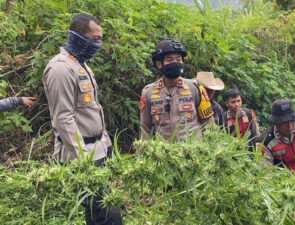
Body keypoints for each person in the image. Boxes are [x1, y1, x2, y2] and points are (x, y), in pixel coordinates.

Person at [42, 13, 122, 225]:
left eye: (100, 39)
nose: (98, 44)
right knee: (107, 216)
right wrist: (84, 162)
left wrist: (105, 145)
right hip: (82, 155)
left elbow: (90, 110)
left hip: (96, 150)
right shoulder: (61, 68)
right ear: (78, 37)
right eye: (95, 38)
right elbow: (63, 119)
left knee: (98, 213)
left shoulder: (80, 65)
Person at [140, 39, 214, 141]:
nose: (175, 63)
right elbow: (145, 128)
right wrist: (144, 153)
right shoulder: (148, 92)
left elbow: (209, 123)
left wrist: (214, 151)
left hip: (195, 153)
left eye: (178, 59)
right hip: (165, 154)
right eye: (170, 60)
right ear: (159, 64)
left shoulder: (195, 88)